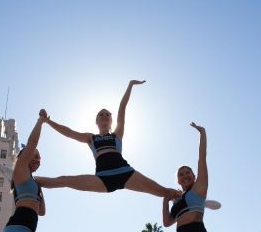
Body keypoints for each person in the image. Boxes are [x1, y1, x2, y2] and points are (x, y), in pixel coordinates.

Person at [34, 80, 178, 198]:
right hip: (103, 177)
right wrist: (47, 121)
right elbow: (69, 133)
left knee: (162, 191)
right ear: (96, 121)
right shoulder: (90, 138)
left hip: (125, 172)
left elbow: (122, 108)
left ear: (111, 121)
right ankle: (30, 180)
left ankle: (183, 198)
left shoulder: (117, 135)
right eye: (100, 114)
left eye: (107, 114)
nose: (104, 115)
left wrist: (130, 85)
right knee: (65, 180)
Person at [162, 123, 211, 232]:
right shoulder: (178, 200)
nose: (185, 175)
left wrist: (202, 133)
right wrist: (165, 199)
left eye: (187, 172)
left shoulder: (199, 189)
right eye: (181, 174)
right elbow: (167, 222)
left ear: (194, 176)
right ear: (178, 180)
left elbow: (202, 158)